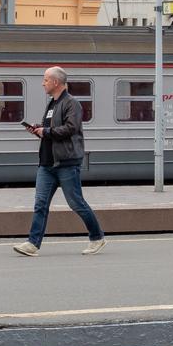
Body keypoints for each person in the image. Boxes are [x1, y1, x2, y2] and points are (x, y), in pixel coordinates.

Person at [13, 66, 106, 257]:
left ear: (56, 82)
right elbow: (53, 129)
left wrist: (46, 132)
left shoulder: (72, 104)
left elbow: (70, 129)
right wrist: (39, 130)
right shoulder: (52, 104)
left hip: (66, 163)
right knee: (40, 204)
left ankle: (97, 237)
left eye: (45, 79)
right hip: (47, 164)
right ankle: (33, 244)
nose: (43, 83)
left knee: (76, 203)